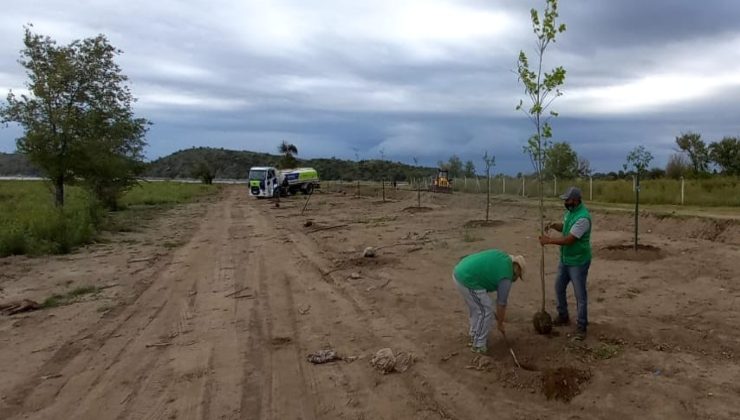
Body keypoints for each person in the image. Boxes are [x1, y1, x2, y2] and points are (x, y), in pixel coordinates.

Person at [539, 186, 592, 341]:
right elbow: (566, 228)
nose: (565, 202)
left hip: (578, 262)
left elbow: (570, 239)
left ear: (575, 200)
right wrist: (555, 225)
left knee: (580, 295)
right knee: (559, 287)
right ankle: (563, 316)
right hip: (566, 260)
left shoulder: (583, 218)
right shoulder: (570, 213)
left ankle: (582, 327)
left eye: (567, 200)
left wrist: (549, 241)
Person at [453, 249, 526, 353]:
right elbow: (501, 303)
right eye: (518, 276)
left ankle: (474, 335)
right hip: (467, 279)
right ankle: (478, 345)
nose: (516, 279)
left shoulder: (502, 258)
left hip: (461, 272)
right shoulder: (506, 276)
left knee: (477, 307)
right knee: (486, 311)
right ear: (517, 270)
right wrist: (500, 323)